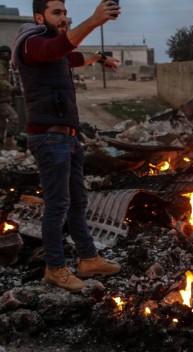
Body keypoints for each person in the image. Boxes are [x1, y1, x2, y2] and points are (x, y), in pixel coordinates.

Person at [11, 0, 122, 292]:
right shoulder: (30, 43)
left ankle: (88, 259)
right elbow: (56, 50)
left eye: (64, 13)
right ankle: (55, 268)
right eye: (56, 13)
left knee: (77, 200)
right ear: (39, 17)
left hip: (68, 137)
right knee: (57, 204)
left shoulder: (54, 48)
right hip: (48, 137)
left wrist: (100, 58)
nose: (64, 18)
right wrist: (93, 21)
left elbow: (73, 57)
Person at [0, 45, 18, 146]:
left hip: (4, 99)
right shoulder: (1, 66)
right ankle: (8, 141)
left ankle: (2, 146)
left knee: (1, 124)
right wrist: (13, 89)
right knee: (14, 117)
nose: (6, 55)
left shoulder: (7, 67)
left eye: (8, 53)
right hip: (1, 100)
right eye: (3, 53)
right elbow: (1, 82)